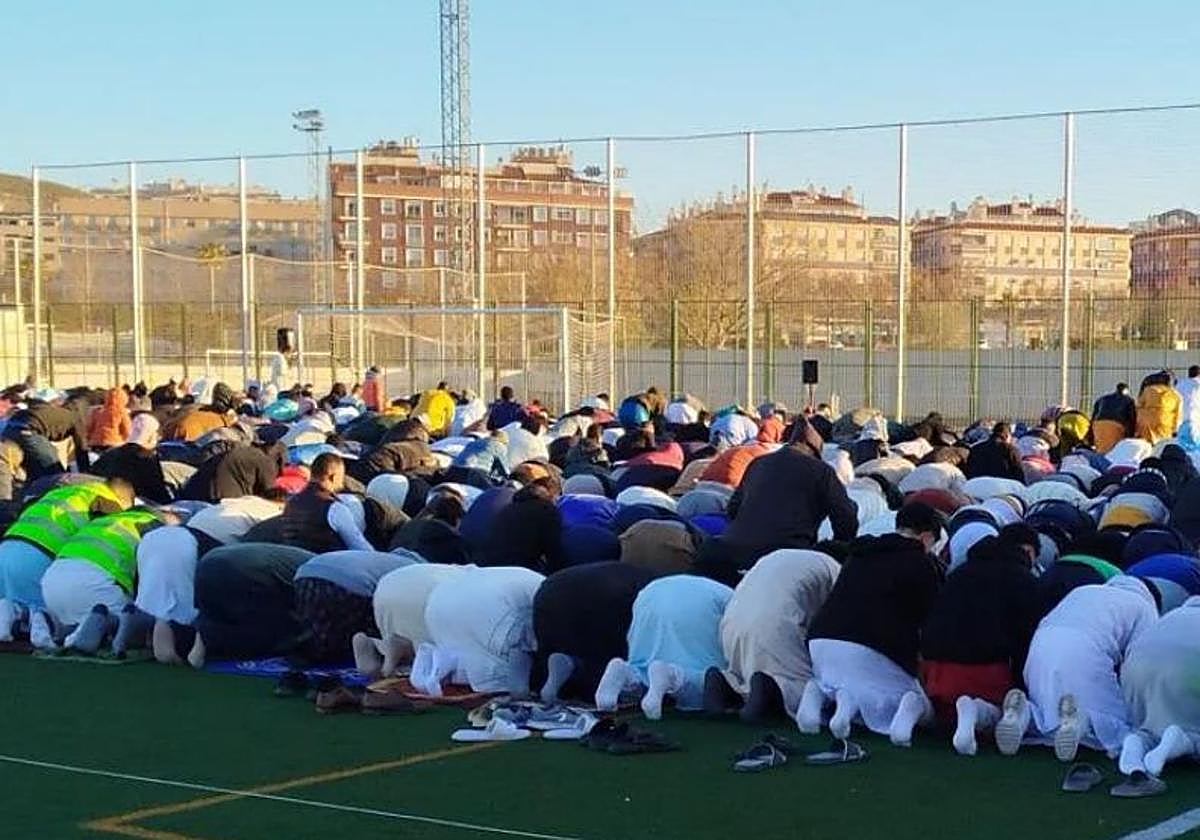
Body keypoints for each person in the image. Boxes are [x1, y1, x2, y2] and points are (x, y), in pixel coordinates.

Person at [798, 502, 944, 747]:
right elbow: (929, 622)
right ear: (928, 536)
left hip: (823, 642)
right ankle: (900, 719)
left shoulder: (859, 554)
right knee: (912, 703)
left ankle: (823, 696)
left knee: (850, 688)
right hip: (872, 647)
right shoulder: (920, 563)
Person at [996, 576, 1159, 761]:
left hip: (1041, 644)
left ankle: (1025, 715)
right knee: (1119, 722)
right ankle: (1084, 722)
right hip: (1086, 648)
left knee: (1047, 707)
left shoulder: (1082, 590)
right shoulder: (1144, 608)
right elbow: (1140, 661)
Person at [920, 524, 1042, 755]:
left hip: (935, 672)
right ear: (1029, 552)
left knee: (942, 713)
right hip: (985, 672)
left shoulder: (959, 573)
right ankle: (975, 711)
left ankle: (914, 706)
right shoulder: (1023, 580)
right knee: (1003, 712)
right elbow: (1026, 642)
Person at [696, 418, 856, 586]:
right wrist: (840, 550)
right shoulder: (821, 471)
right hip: (785, 558)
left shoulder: (758, 463)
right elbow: (846, 517)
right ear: (815, 452)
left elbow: (733, 509)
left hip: (732, 554)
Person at [135, 491, 286, 664]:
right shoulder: (272, 511)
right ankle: (199, 648)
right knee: (208, 599)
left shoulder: (230, 503)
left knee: (164, 601)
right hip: (197, 543)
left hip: (158, 537)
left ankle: (164, 648)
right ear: (280, 503)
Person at [706, 548, 841, 723]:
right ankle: (773, 688)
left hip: (732, 623)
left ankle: (728, 683)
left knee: (745, 670)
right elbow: (834, 626)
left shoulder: (778, 556)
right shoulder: (835, 570)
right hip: (776, 623)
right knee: (806, 685)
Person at [0, 477, 134, 648]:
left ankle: (9, 612)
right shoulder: (107, 503)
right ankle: (45, 624)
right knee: (60, 613)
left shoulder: (66, 492)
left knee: (17, 602)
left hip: (7, 547)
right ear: (125, 500)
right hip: (42, 554)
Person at [594, 574, 734, 719]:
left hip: (650, 596)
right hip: (699, 608)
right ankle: (672, 675)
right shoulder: (733, 597)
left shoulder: (718, 589)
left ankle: (628, 672)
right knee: (708, 676)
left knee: (644, 664)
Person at [40, 506, 165, 653]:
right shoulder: (153, 527)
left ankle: (47, 623)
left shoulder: (102, 521)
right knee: (132, 620)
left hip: (51, 582)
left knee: (68, 619)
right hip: (97, 584)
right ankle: (86, 631)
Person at [534, 562, 661, 703]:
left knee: (561, 645)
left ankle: (558, 683)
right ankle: (597, 692)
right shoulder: (656, 589)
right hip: (608, 592)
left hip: (551, 588)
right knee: (604, 659)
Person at [415, 565, 545, 697]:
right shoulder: (548, 592)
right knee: (518, 643)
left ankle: (441, 670)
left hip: (439, 600)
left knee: (471, 651)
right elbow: (523, 641)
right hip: (490, 605)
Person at [186, 543, 315, 667]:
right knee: (274, 631)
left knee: (216, 613)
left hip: (210, 560)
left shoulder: (309, 560)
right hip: (247, 570)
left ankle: (196, 638)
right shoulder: (318, 573)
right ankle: (209, 641)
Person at [1117, 595, 1200, 787]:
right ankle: (1186, 741)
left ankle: (1137, 742)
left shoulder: (1174, 615)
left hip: (1136, 667)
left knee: (1149, 723)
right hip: (1188, 669)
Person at [292, 549, 421, 665]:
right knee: (363, 636)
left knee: (320, 635)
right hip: (353, 582)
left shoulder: (387, 559)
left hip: (307, 572)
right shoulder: (417, 571)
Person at [353, 562, 467, 679]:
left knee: (424, 649)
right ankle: (399, 650)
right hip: (434, 597)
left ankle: (384, 647)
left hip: (392, 582)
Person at [276, 452, 373, 553]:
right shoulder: (334, 508)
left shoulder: (291, 502)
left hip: (292, 562)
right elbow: (359, 546)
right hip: (324, 564)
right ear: (333, 477)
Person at [474, 477, 565, 573]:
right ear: (554, 496)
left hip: (485, 565)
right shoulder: (548, 511)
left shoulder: (509, 508)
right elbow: (554, 553)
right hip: (516, 569)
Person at [90, 413, 171, 504]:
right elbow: (158, 492)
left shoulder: (110, 454)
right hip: (134, 507)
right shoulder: (146, 457)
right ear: (151, 435)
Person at [3, 396, 89, 479]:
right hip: (28, 432)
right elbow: (81, 448)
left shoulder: (54, 411)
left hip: (8, 431)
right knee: (55, 473)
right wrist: (86, 472)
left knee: (30, 471)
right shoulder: (76, 419)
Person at [176, 441, 284, 502]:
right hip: (220, 500)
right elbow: (270, 495)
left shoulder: (241, 451)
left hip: (191, 495)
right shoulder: (265, 461)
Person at [1136, 371, 1181, 444]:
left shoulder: (1149, 390)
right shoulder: (1176, 395)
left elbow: (1138, 406)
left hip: (1146, 425)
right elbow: (1178, 416)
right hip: (1165, 426)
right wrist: (1174, 431)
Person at [1092, 383, 1137, 454]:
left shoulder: (1102, 399)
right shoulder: (1129, 400)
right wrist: (1131, 436)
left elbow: (1094, 416)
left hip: (1098, 425)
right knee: (1113, 451)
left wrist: (1091, 436)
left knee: (1101, 449)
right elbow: (1132, 420)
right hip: (1116, 425)